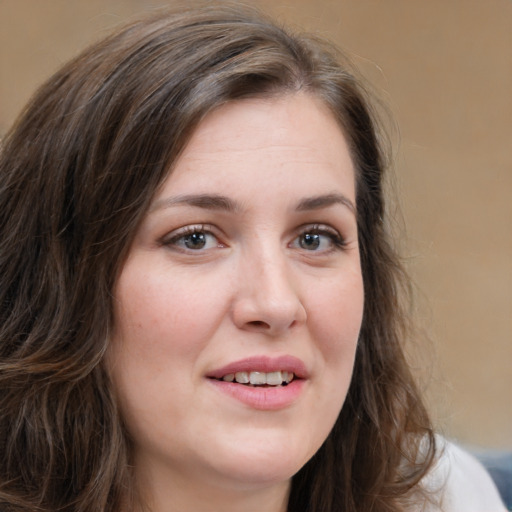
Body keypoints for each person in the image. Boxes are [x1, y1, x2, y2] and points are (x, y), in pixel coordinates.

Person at [0, 4, 506, 512]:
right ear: (61, 282)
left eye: (314, 238)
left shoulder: (448, 496)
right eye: (195, 238)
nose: (276, 302)